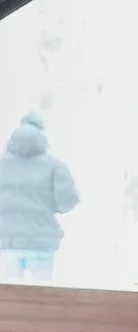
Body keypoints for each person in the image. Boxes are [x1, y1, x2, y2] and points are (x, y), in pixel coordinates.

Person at [0, 113, 79, 283]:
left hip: (6, 241)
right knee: (42, 291)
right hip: (41, 243)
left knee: (7, 293)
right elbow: (68, 201)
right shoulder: (55, 166)